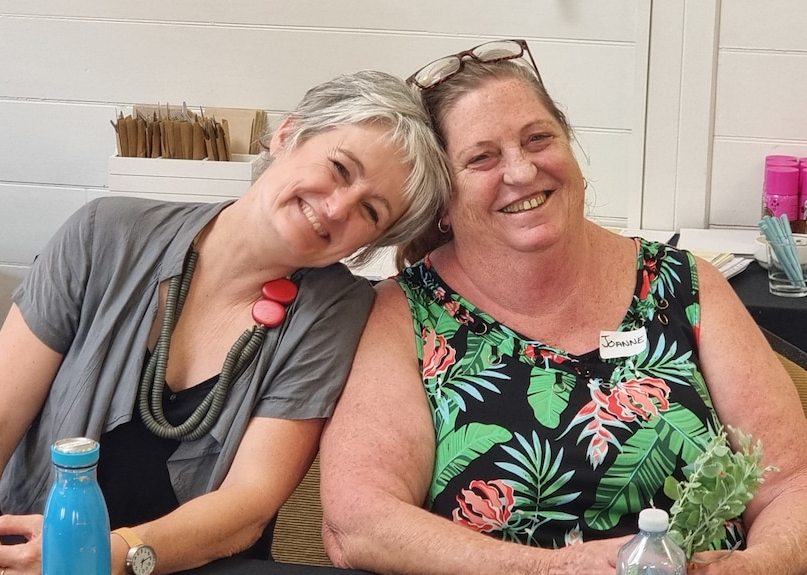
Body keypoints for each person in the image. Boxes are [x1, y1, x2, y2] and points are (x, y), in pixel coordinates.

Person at [320, 40, 807, 575]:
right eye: (482, 158)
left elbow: (791, 482)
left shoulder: (686, 286)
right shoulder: (403, 316)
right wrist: (553, 570)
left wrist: (764, 563)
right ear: (442, 201)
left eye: (539, 139)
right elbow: (358, 522)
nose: (523, 172)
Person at [0, 69, 450, 575]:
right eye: (340, 168)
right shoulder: (103, 235)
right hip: (8, 544)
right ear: (287, 135)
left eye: (370, 210)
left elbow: (248, 505)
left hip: (175, 563)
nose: (337, 207)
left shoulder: (336, 308)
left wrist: (101, 556)